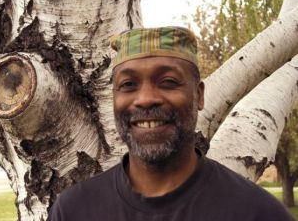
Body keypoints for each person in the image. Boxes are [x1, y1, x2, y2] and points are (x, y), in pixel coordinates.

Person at [48, 27, 294, 221]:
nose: (145, 99)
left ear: (199, 95)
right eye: (128, 85)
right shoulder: (74, 210)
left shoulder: (256, 213)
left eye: (167, 81)